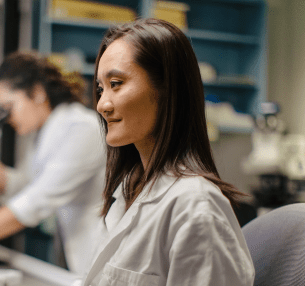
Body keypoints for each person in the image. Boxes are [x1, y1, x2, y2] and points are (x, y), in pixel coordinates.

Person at [81, 18, 255, 285]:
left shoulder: (196, 206)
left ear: (167, 89)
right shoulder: (128, 190)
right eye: (100, 89)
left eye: (116, 83)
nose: (102, 104)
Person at [0, 52, 106, 275]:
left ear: (38, 93)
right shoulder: (43, 135)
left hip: (106, 253)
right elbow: (21, 188)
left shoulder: (82, 128)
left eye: (9, 107)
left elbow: (36, 201)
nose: (8, 118)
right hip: (81, 254)